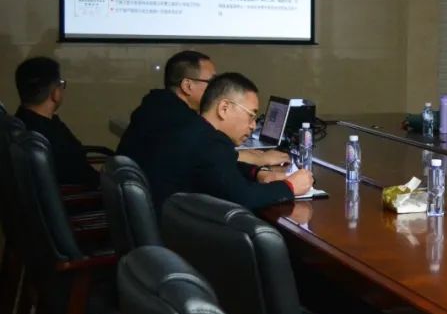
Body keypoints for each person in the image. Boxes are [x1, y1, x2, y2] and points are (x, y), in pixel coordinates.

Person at [143, 72, 312, 210]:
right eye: (251, 115)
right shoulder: (211, 144)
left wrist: (258, 173)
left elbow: (219, 167)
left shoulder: (192, 129)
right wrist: (290, 186)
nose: (253, 125)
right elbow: (244, 198)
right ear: (224, 108)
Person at [117, 50, 288, 170]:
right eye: (211, 82)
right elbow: (209, 154)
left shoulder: (157, 105)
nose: (216, 88)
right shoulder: (178, 120)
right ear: (187, 85)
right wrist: (260, 159)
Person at [14, 57, 99, 188]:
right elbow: (81, 177)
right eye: (61, 83)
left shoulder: (19, 124)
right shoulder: (50, 138)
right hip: (84, 195)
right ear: (55, 93)